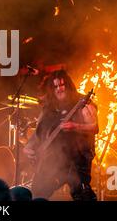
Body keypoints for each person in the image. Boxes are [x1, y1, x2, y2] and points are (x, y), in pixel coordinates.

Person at [23, 69, 98, 201]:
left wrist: (75, 126)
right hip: (55, 160)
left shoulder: (83, 102)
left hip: (78, 158)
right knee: (38, 190)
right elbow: (38, 132)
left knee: (81, 193)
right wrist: (29, 146)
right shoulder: (48, 108)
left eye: (62, 85)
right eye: (56, 86)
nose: (59, 89)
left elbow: (95, 127)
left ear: (68, 85)